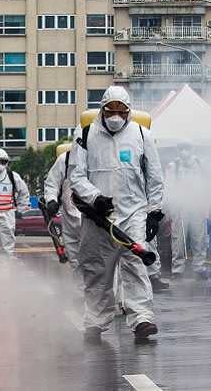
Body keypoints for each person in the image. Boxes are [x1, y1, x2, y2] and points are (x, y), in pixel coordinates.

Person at [69, 85, 165, 342]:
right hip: (98, 217)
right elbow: (76, 175)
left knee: (135, 265)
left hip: (133, 213)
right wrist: (95, 198)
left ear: (129, 112)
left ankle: (142, 318)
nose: (115, 116)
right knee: (96, 269)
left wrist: (154, 211)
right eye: (110, 110)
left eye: (121, 111)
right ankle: (96, 320)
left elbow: (154, 177)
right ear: (102, 109)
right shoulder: (85, 134)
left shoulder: (142, 135)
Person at [166, 142, 209, 281]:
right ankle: (177, 270)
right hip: (180, 207)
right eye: (182, 148)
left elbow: (207, 186)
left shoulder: (200, 165)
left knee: (199, 238)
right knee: (178, 240)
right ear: (178, 149)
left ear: (192, 148)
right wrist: (170, 209)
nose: (185, 151)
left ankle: (200, 268)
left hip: (197, 206)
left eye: (187, 148)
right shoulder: (173, 166)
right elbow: (168, 187)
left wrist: (206, 206)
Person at [43, 143, 83, 290]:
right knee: (75, 260)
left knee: (101, 261)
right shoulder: (64, 160)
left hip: (95, 221)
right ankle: (84, 295)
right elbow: (52, 183)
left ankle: (113, 300)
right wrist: (51, 200)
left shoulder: (104, 158)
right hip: (70, 219)